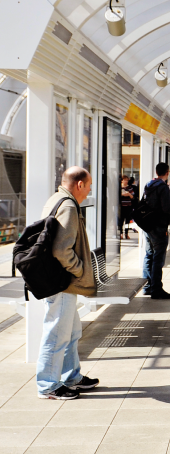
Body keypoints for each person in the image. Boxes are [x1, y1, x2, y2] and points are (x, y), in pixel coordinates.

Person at [36, 167, 100, 400]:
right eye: (89, 184)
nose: (90, 189)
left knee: (71, 332)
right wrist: (79, 269)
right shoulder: (69, 206)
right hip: (61, 282)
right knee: (56, 334)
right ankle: (48, 385)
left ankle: (72, 377)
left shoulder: (57, 198)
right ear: (80, 185)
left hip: (59, 280)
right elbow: (61, 249)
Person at [142, 163, 170, 299]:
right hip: (159, 226)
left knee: (149, 254)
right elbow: (166, 208)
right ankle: (156, 288)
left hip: (148, 225)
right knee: (158, 257)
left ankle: (147, 286)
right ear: (167, 172)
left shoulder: (149, 185)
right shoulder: (163, 187)